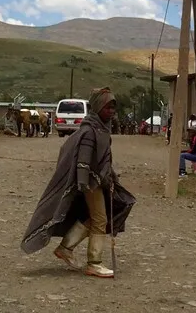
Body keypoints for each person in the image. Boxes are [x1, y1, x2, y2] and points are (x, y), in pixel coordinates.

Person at [20, 87, 136, 279]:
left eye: (113, 108)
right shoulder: (90, 131)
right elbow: (83, 160)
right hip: (91, 183)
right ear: (98, 107)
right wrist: (84, 182)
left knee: (95, 218)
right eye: (108, 107)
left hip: (98, 181)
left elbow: (104, 159)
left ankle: (66, 247)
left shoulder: (101, 129)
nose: (112, 112)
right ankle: (94, 263)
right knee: (100, 220)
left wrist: (111, 178)